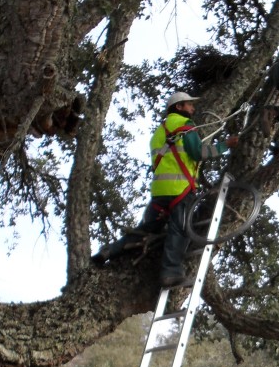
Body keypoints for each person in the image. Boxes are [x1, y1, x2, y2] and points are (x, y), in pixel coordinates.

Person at [92, 90, 238, 287]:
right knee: (181, 229)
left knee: (147, 228)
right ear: (178, 107)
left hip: (159, 190)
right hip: (180, 187)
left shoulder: (159, 132)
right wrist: (225, 145)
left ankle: (109, 251)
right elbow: (198, 153)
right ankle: (170, 272)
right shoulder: (185, 126)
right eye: (189, 104)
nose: (193, 108)